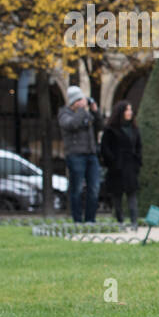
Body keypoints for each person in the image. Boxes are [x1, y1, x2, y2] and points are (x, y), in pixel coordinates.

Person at [58, 85, 102, 222]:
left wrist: (95, 111)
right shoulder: (64, 114)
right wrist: (82, 110)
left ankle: (90, 220)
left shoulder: (86, 113)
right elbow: (72, 125)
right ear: (73, 102)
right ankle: (77, 220)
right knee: (76, 189)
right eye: (79, 100)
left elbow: (100, 126)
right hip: (75, 155)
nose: (83, 103)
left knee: (94, 187)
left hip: (91, 154)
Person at [100, 100, 143, 226]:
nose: (130, 112)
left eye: (130, 110)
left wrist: (138, 161)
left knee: (132, 194)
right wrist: (112, 162)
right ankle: (120, 221)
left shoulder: (134, 129)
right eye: (127, 110)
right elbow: (105, 148)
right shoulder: (111, 130)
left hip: (130, 166)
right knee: (117, 196)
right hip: (117, 167)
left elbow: (139, 146)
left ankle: (134, 221)